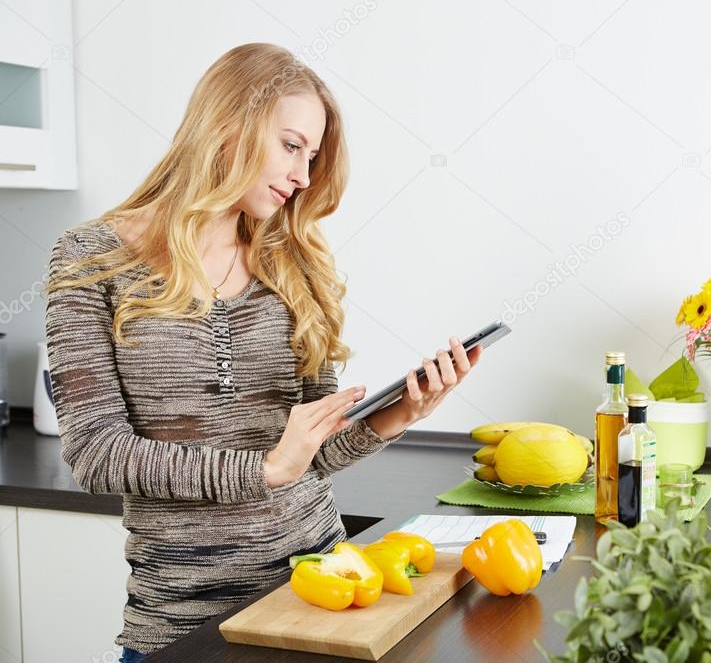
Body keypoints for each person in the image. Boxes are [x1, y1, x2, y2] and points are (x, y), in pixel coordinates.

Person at [43, 43, 482, 662]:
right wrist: (265, 471)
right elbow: (95, 454)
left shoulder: (291, 264)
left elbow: (309, 455)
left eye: (313, 156)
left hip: (320, 599)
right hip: (183, 625)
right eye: (292, 145)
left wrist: (397, 416)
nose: (304, 176)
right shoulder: (91, 259)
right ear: (227, 125)